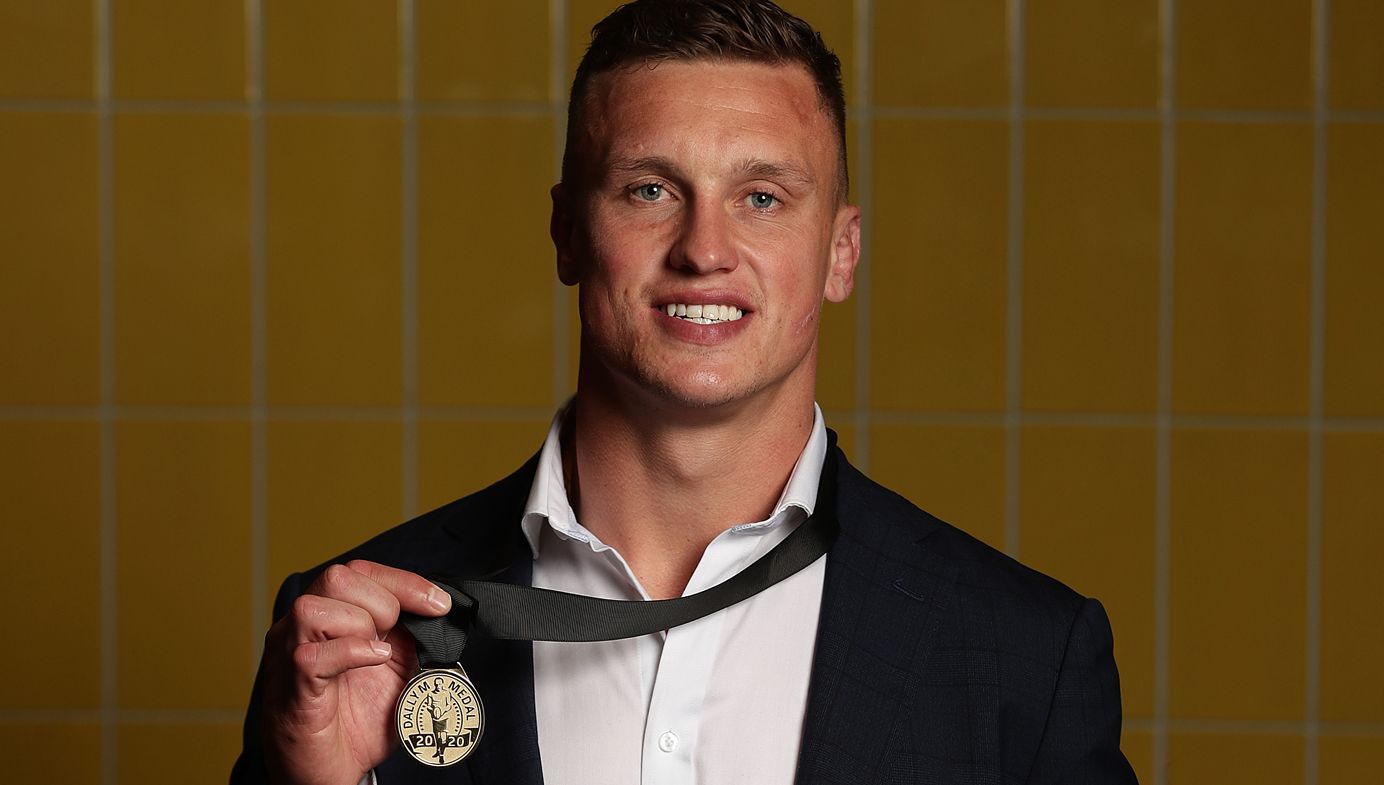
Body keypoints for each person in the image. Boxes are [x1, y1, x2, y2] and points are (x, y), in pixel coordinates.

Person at [232, 1, 1138, 783]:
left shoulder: (1028, 661)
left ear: (841, 250)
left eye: (763, 198)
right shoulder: (351, 634)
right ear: (567, 233)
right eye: (651, 188)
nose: (704, 249)